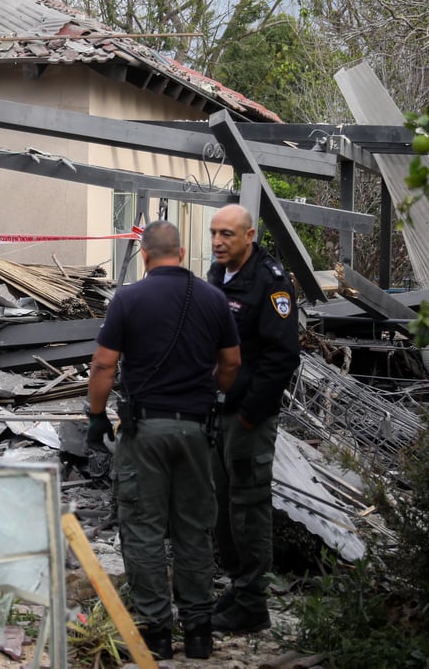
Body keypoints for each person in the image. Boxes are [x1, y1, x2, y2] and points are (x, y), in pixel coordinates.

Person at [86, 220, 241, 660]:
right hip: (196, 430)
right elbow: (231, 363)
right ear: (182, 249)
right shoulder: (213, 299)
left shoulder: (129, 298)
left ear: (145, 253)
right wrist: (208, 389)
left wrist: (96, 416)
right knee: (194, 529)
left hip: (144, 430)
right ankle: (198, 632)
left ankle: (155, 632)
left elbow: (103, 366)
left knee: (143, 529)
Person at [206, 204, 301, 635]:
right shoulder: (218, 274)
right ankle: (236, 588)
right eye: (214, 233)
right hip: (221, 412)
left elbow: (282, 358)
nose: (218, 242)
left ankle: (252, 603)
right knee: (223, 504)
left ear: (249, 236)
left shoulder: (271, 283)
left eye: (227, 234)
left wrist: (249, 414)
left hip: (248, 417)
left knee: (248, 506)